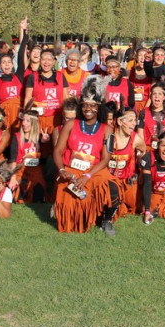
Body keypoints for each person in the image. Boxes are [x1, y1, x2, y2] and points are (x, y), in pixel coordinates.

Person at [53, 84, 116, 234]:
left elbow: (106, 159)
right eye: (85, 105)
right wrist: (62, 170)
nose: (88, 108)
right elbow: (58, 151)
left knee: (112, 189)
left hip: (94, 171)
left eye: (93, 105)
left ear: (98, 107)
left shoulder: (108, 129)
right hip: (71, 170)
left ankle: (106, 220)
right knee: (74, 220)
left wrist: (87, 176)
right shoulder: (70, 124)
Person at [10, 110, 44, 203]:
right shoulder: (17, 137)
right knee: (16, 197)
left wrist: (45, 141)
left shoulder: (38, 138)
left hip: (34, 170)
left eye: (27, 121)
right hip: (19, 169)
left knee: (38, 196)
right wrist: (13, 178)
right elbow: (13, 160)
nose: (24, 123)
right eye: (23, 120)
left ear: (34, 123)